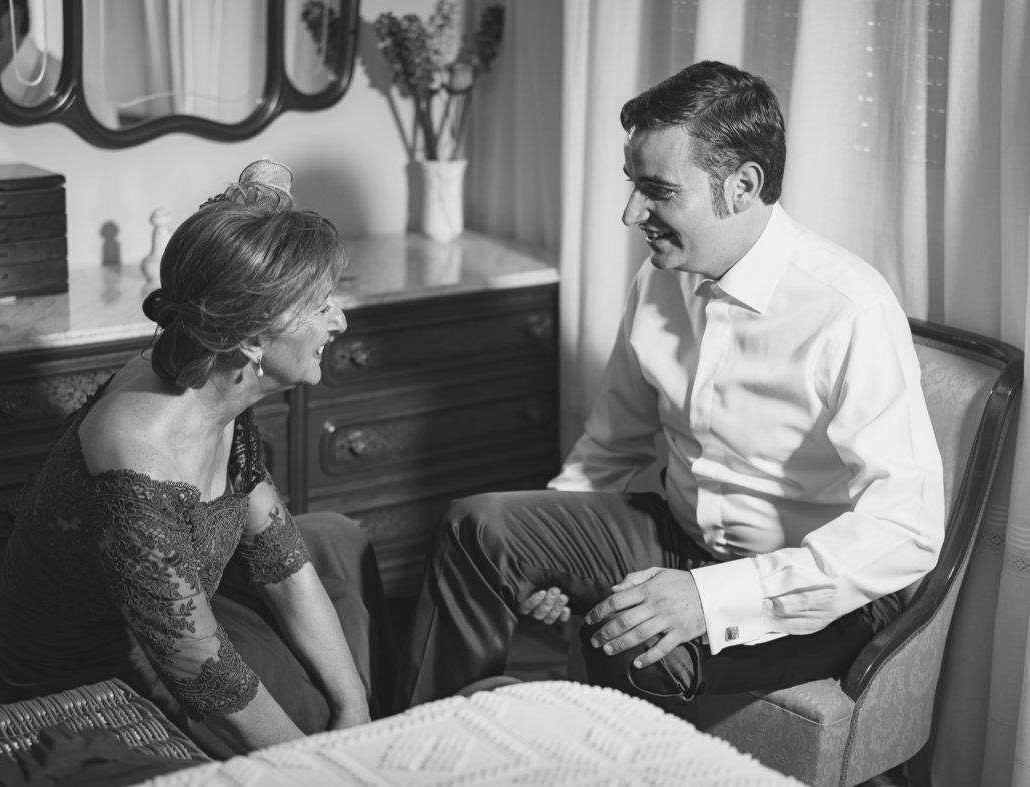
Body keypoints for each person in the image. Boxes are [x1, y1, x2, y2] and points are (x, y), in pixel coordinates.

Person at [395, 60, 945, 712]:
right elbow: (611, 445)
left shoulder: (848, 309)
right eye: (633, 185)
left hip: (816, 588)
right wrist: (548, 556)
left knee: (626, 645)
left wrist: (710, 598)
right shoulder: (658, 279)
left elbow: (903, 528)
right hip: (680, 537)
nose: (631, 213)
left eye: (657, 190)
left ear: (742, 186)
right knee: (478, 527)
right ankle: (428, 740)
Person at [0, 160, 394, 756]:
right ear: (251, 340)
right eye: (320, 306)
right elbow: (206, 676)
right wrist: (315, 765)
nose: (340, 319)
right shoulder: (135, 466)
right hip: (102, 681)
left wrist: (354, 704)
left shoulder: (215, 376)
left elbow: (278, 556)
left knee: (339, 571)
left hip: (183, 613)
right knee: (309, 707)